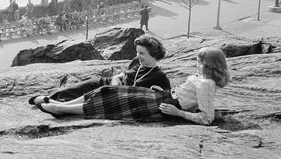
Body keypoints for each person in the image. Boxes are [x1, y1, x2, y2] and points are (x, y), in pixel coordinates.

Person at [37, 47, 229, 126]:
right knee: (108, 90)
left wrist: (178, 114)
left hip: (165, 108)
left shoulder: (206, 84)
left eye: (199, 62)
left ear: (209, 65)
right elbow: (194, 101)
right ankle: (62, 104)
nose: (196, 64)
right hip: (163, 98)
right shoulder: (203, 80)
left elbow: (207, 119)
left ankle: (60, 109)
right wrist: (163, 92)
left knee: (113, 103)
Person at [28, 35, 171, 106]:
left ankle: (52, 104)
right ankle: (51, 99)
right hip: (108, 83)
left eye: (142, 53)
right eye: (137, 52)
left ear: (153, 54)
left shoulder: (160, 77)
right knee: (77, 88)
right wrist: (115, 81)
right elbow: (121, 75)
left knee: (90, 98)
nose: (137, 56)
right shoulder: (136, 62)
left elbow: (167, 98)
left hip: (117, 96)